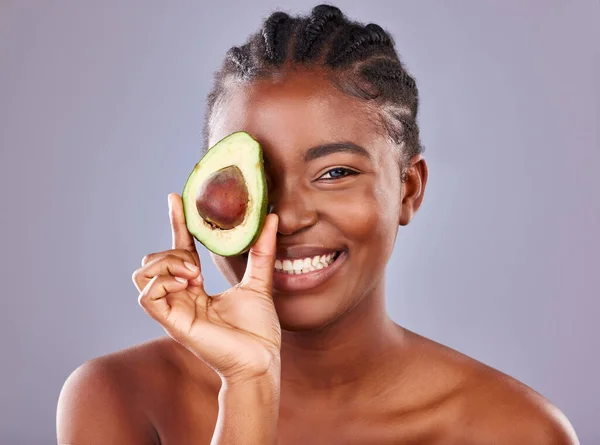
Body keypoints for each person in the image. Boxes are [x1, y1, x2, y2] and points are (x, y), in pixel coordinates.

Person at [56, 4, 579, 444]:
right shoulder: (118, 395)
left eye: (335, 172)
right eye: (249, 177)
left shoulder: (515, 429)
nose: (288, 218)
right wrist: (248, 385)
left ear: (408, 190)